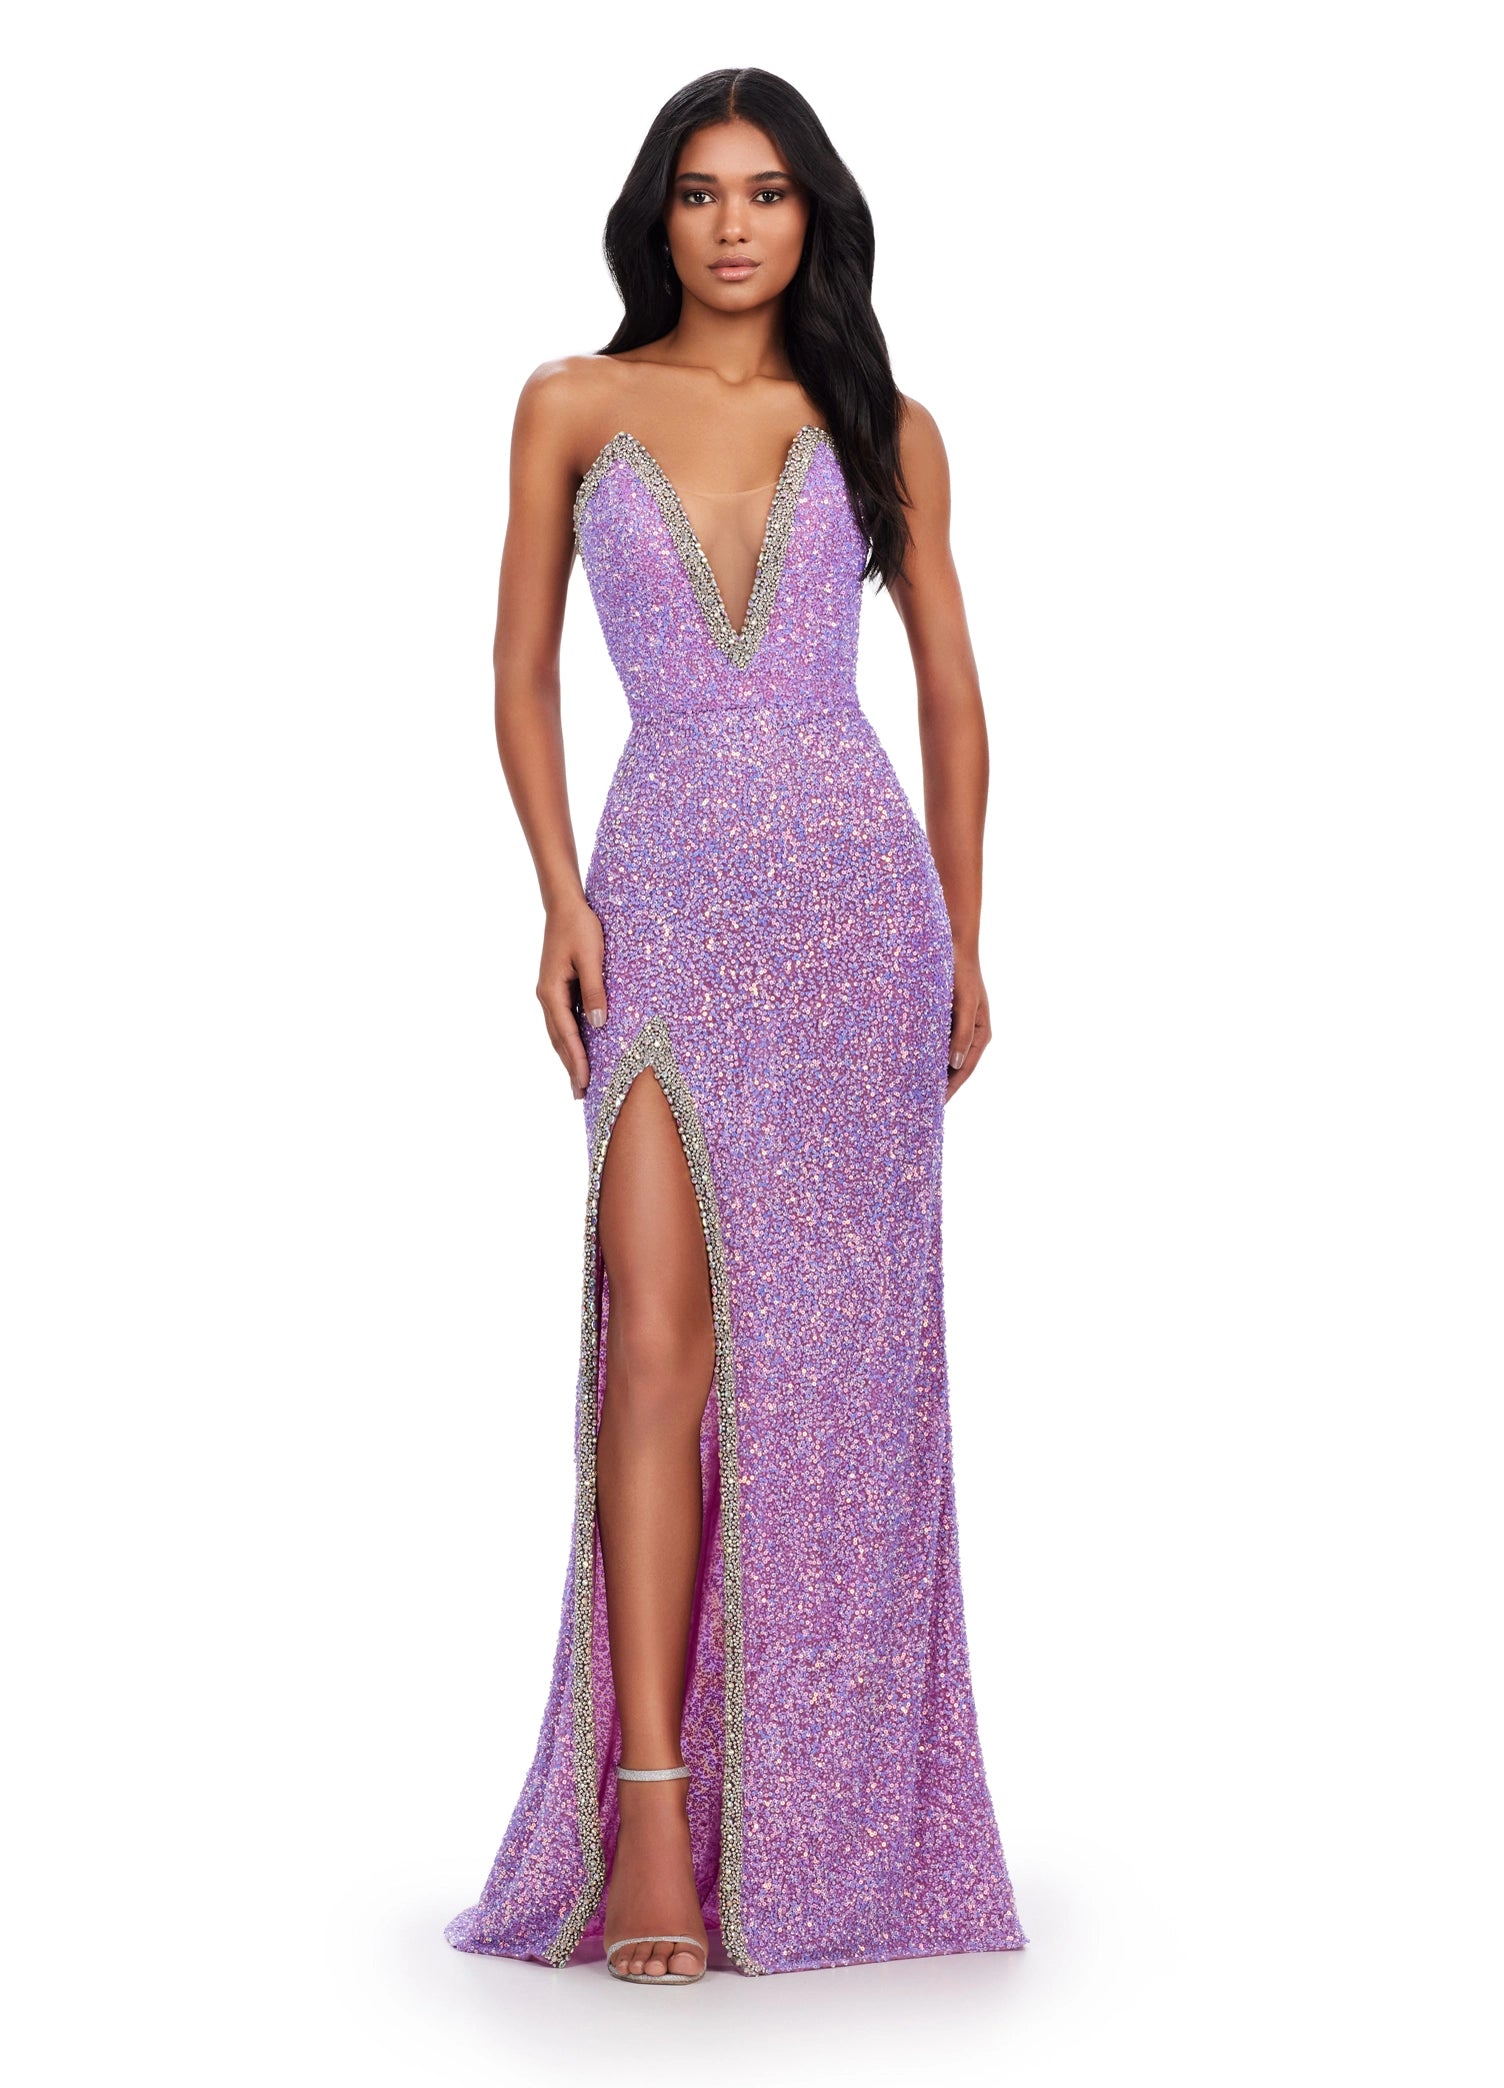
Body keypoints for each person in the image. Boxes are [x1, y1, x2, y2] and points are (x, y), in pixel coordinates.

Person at [445, 66, 1026, 1984]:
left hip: (858, 916)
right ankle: (649, 1821)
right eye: (700, 193)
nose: (732, 226)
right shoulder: (571, 404)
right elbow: (519, 676)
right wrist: (559, 897)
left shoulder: (881, 424)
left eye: (766, 193)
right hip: (664, 907)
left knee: (840, 1373)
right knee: (658, 1346)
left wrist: (963, 935)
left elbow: (953, 694)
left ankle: (828, 1823)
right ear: (658, 217)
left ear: (812, 217)